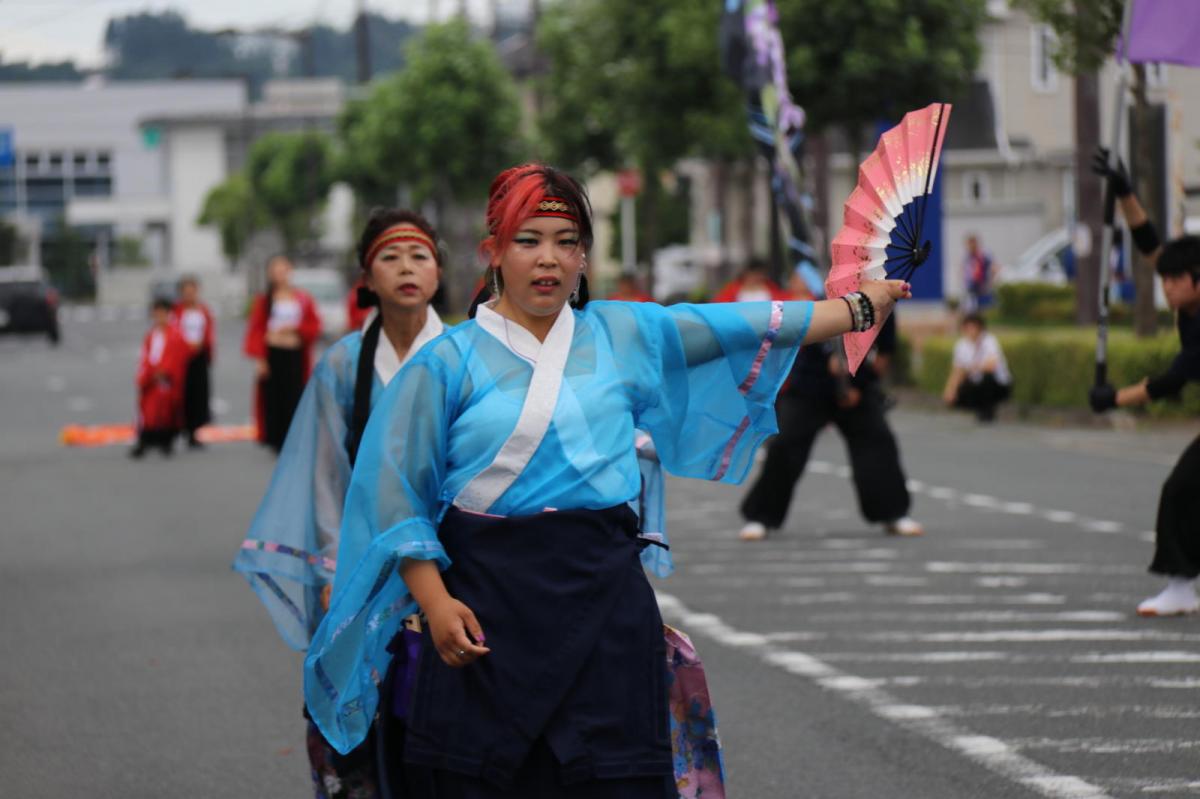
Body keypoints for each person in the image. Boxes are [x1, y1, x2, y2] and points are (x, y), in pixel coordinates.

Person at [303, 163, 910, 797]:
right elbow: (395, 491)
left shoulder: (629, 334)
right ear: (493, 252)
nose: (549, 259)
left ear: (585, 256)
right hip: (482, 609)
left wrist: (859, 307)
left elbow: (751, 324)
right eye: (528, 240)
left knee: (618, 776)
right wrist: (433, 601)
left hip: (606, 605)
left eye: (567, 243)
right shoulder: (445, 364)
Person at [235, 210, 447, 798]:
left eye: (420, 256)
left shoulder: (465, 353)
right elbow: (327, 474)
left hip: (453, 561)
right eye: (390, 258)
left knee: (450, 717)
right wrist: (332, 565)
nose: (406, 268)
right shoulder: (342, 364)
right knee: (370, 719)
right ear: (367, 277)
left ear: (439, 272)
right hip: (365, 562)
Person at [738, 265, 923, 541]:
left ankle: (893, 513)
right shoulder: (820, 297)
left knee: (877, 441)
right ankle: (761, 517)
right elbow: (806, 340)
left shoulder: (883, 302)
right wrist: (829, 364)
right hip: (811, 387)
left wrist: (858, 385)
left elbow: (885, 354)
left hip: (858, 388)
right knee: (786, 445)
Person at [1091, 150, 1200, 617]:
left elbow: (1172, 381)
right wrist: (1124, 193)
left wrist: (1114, 398)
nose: (1166, 286)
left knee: (1180, 489)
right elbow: (1152, 246)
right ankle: (1184, 585)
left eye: (1175, 280)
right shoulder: (1187, 302)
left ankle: (1180, 588)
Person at [244, 255, 323, 452]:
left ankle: (294, 437)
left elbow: (314, 325)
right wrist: (261, 359)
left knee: (294, 395)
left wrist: (295, 330)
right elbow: (257, 329)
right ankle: (275, 439)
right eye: (275, 271)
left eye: (283, 269)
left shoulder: (302, 298)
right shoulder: (265, 300)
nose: (279, 274)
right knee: (274, 397)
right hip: (273, 354)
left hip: (294, 354)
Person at [130, 298, 190, 459]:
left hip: (166, 380)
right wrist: (148, 374)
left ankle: (166, 440)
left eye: (163, 313)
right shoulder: (151, 336)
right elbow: (145, 357)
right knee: (146, 411)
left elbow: (177, 357)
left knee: (166, 411)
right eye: (156, 313)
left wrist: (164, 372)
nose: (159, 316)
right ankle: (144, 441)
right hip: (152, 379)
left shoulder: (175, 335)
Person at [942, 312, 1012, 422]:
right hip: (976, 383)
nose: (970, 331)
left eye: (973, 327)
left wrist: (971, 368)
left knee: (987, 378)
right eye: (967, 328)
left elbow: (991, 365)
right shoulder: (961, 345)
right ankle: (978, 407)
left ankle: (988, 410)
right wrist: (950, 389)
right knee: (961, 391)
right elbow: (957, 370)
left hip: (998, 384)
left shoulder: (989, 341)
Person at [172, 276, 215, 448]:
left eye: (193, 291)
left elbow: (209, 332)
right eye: (186, 291)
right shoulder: (176, 311)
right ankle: (179, 427)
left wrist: (205, 348)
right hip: (182, 359)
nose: (190, 294)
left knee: (199, 394)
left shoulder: (203, 310)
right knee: (183, 393)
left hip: (199, 357)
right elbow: (173, 333)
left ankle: (194, 430)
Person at [711, 260, 789, 302]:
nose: (757, 278)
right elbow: (719, 303)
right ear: (747, 273)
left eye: (761, 275)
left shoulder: (770, 287)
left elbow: (784, 301)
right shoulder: (733, 288)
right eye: (755, 274)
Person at [962, 234, 994, 311]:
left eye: (971, 244)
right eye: (968, 244)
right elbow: (966, 270)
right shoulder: (967, 256)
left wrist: (990, 282)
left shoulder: (983, 255)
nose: (970, 246)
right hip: (971, 286)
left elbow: (993, 267)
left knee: (983, 307)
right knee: (971, 308)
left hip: (982, 284)